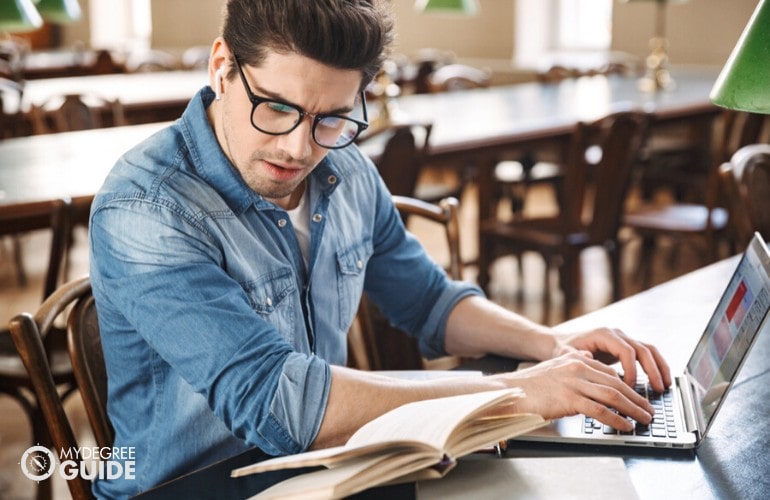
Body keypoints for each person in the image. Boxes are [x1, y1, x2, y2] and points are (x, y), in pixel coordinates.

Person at [88, 0, 671, 497]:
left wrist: (550, 342)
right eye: (278, 108)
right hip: (190, 486)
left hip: (321, 472)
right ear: (222, 66)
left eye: (334, 117)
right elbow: (279, 404)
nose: (299, 148)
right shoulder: (147, 206)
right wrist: (521, 390)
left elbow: (429, 303)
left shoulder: (345, 169)